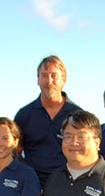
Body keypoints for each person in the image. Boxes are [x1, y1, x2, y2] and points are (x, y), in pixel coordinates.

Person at [14, 55, 81, 185]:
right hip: (32, 188)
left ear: (64, 80)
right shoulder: (24, 115)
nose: (49, 81)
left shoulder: (78, 116)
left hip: (68, 187)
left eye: (54, 76)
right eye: (44, 75)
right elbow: (15, 153)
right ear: (38, 80)